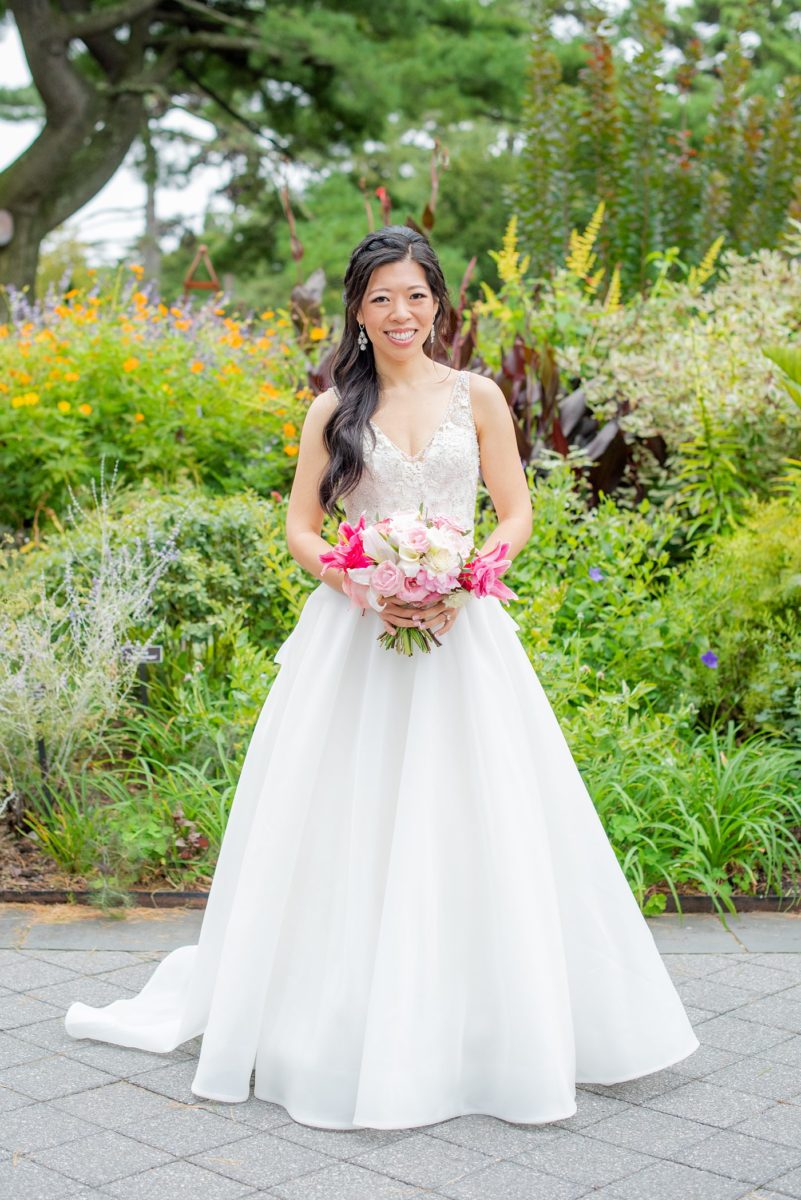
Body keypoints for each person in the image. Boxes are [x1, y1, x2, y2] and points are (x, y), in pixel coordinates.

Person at [64, 225, 699, 1130]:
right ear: (358, 314)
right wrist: (359, 581)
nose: (400, 313)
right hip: (352, 635)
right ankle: (331, 1019)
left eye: (414, 295)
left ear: (437, 302)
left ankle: (486, 1025)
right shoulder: (332, 410)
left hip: (460, 632)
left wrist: (467, 575)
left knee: (478, 814)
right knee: (344, 815)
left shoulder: (477, 397)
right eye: (379, 299)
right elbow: (301, 530)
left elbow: (514, 513)